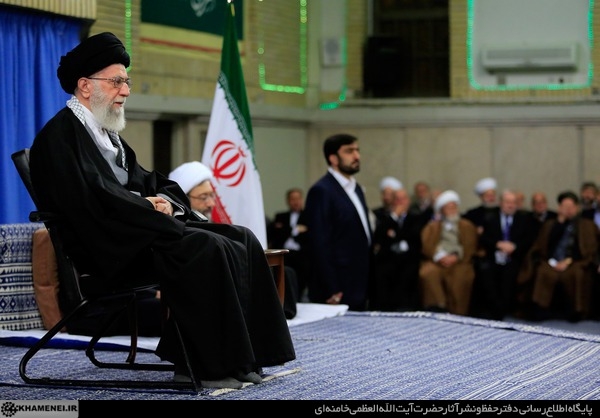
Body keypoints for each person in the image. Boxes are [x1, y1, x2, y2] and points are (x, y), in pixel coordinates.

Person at [28, 32, 295, 390]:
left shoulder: (107, 134)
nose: (126, 90)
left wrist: (167, 202)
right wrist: (144, 205)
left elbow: (147, 180)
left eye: (127, 81)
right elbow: (90, 200)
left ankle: (249, 355)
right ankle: (200, 363)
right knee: (206, 247)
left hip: (136, 233)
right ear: (85, 85)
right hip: (105, 247)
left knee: (241, 237)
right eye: (117, 81)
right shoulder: (59, 137)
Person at [303, 133, 373, 311]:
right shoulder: (322, 191)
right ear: (333, 158)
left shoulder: (356, 188)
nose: (357, 156)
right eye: (349, 151)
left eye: (357, 150)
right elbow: (319, 242)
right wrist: (331, 287)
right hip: (337, 286)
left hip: (359, 280)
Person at [527, 191, 598, 322]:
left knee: (576, 273)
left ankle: (576, 311)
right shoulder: (550, 224)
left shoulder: (587, 225)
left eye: (571, 207)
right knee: (543, 272)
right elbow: (543, 247)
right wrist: (559, 225)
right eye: (565, 207)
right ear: (559, 208)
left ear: (577, 207)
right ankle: (540, 310)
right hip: (551, 262)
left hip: (575, 262)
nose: (568, 210)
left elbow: (588, 250)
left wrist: (568, 261)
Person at [470, 189, 535, 320]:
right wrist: (498, 244)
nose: (510, 205)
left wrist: (514, 246)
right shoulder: (490, 218)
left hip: (515, 256)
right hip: (494, 255)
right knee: (486, 273)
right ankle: (495, 311)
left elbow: (529, 239)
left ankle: (504, 309)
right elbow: (484, 238)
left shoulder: (524, 219)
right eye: (507, 202)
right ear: (501, 203)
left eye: (513, 202)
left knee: (510, 274)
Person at [419, 190, 478, 315]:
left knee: (461, 277)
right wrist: (440, 256)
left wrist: (455, 257)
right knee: (428, 273)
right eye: (448, 208)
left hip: (460, 261)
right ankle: (438, 307)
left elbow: (470, 246)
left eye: (454, 207)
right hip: (437, 260)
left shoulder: (466, 225)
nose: (452, 211)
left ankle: (458, 312)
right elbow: (427, 245)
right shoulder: (433, 226)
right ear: (442, 210)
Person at [372, 187, 422, 311]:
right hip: (389, 259)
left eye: (403, 199)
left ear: (408, 201)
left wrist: (394, 235)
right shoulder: (385, 218)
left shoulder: (416, 217)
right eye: (397, 199)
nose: (400, 202)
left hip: (409, 260)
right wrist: (394, 217)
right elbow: (379, 237)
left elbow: (413, 238)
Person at [268, 187, 310, 302]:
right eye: (292, 199)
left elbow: (310, 236)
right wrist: (295, 230)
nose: (296, 202)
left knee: (300, 281)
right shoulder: (280, 216)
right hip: (284, 253)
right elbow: (275, 234)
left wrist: (286, 230)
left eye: (298, 199)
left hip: (301, 255)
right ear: (288, 201)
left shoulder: (308, 216)